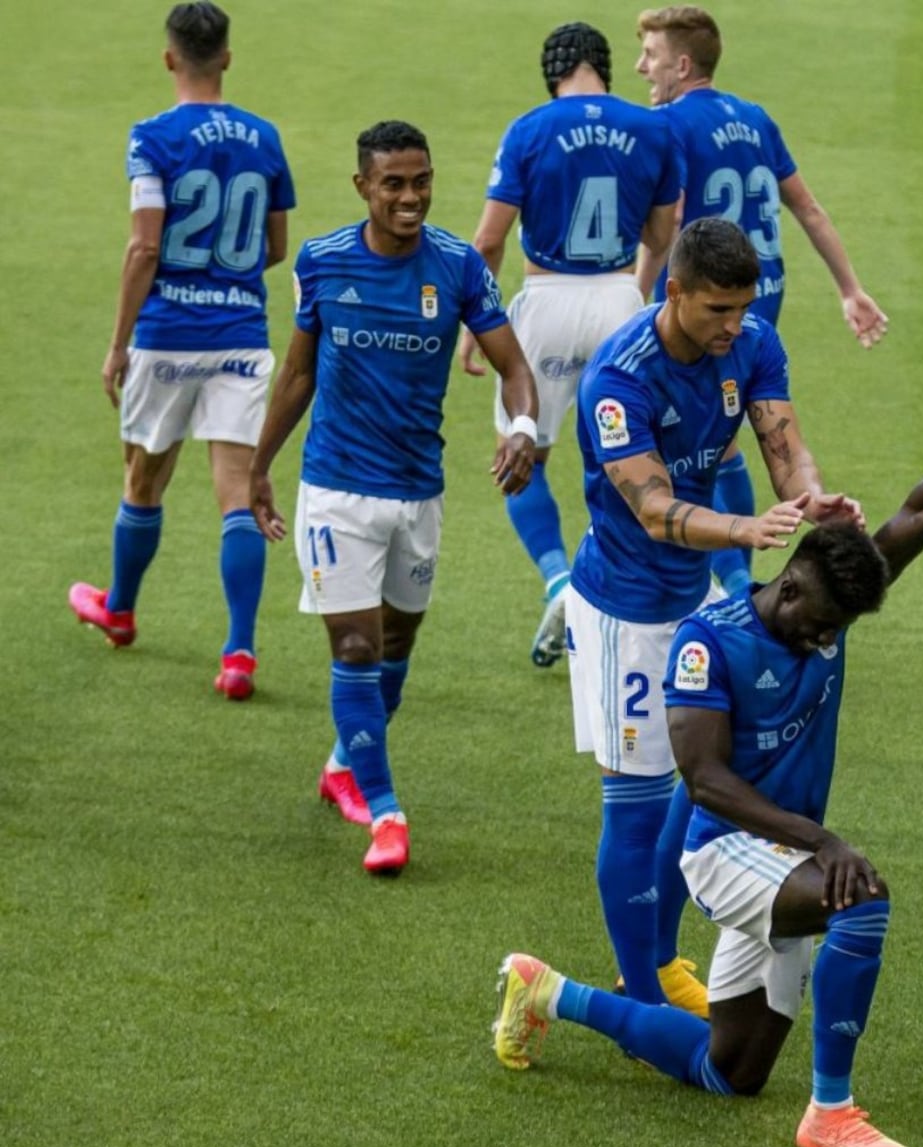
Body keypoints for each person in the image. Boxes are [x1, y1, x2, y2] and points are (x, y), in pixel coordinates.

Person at [493, 382, 923, 1147]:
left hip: (781, 856)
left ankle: (547, 991)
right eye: (821, 626)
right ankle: (831, 1112)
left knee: (729, 1070)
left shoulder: (829, 597)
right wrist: (821, 841)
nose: (825, 642)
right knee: (859, 901)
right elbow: (703, 780)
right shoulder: (711, 641)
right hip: (725, 850)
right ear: (792, 584)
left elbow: (919, 516)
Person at [566, 217, 863, 1016]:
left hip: (694, 600)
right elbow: (655, 510)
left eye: (743, 309)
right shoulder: (618, 379)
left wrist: (808, 495)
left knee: (694, 788)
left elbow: (781, 440)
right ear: (675, 292)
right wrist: (745, 529)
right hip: (625, 612)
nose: (734, 327)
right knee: (634, 805)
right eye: (716, 312)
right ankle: (645, 992)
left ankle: (656, 964)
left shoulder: (753, 340)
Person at [248, 121, 538, 874]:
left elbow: (514, 368)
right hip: (337, 488)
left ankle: (346, 763)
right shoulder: (321, 262)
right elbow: (298, 375)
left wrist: (525, 428)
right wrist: (258, 467)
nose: (411, 197)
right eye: (394, 184)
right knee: (355, 645)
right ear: (362, 187)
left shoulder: (460, 266)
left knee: (397, 648)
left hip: (419, 491)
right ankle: (385, 813)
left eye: (421, 181)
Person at [68, 2, 296, 700]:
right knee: (236, 497)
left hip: (167, 338)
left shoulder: (151, 138)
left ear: (170, 58)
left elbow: (144, 245)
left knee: (143, 482)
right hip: (241, 340)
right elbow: (276, 248)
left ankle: (122, 609)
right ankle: (238, 653)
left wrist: (117, 343)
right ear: (226, 56)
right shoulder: (264, 137)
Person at [633, 5, 889, 599]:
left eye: (651, 55)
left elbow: (668, 221)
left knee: (692, 439)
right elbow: (808, 206)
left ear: (682, 62)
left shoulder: (669, 125)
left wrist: (630, 290)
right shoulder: (755, 118)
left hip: (698, 303)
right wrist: (849, 287)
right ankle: (736, 576)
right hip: (759, 300)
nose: (643, 66)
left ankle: (722, 577)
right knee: (724, 431)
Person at [457, 22, 681, 668]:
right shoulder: (654, 128)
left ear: (552, 72)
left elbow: (490, 240)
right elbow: (663, 232)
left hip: (546, 304)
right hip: (619, 301)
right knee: (628, 452)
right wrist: (635, 293)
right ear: (604, 68)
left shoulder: (529, 129)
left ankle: (559, 580)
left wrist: (477, 322)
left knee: (521, 450)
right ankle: (614, 590)